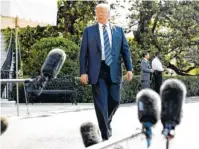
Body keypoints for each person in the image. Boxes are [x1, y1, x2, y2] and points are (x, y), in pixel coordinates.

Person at [79, 3, 133, 141]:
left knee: (115, 101)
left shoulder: (119, 31)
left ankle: (106, 122)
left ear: (109, 14)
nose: (100, 14)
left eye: (102, 12)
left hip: (114, 70)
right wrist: (83, 72)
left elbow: (125, 51)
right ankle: (105, 134)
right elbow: (83, 53)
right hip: (97, 71)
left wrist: (129, 68)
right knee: (101, 104)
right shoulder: (89, 31)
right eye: (97, 12)